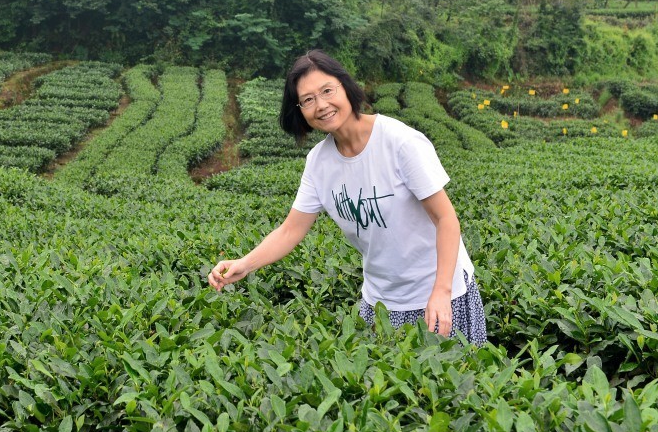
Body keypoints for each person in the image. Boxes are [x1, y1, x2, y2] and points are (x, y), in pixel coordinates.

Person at [208, 50, 486, 344]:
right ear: (299, 109)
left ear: (346, 86)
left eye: (327, 91)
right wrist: (245, 263)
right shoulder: (318, 163)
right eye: (308, 100)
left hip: (439, 296)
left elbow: (446, 218)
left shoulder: (400, 142)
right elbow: (291, 230)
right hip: (380, 301)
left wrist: (441, 292)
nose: (322, 105)